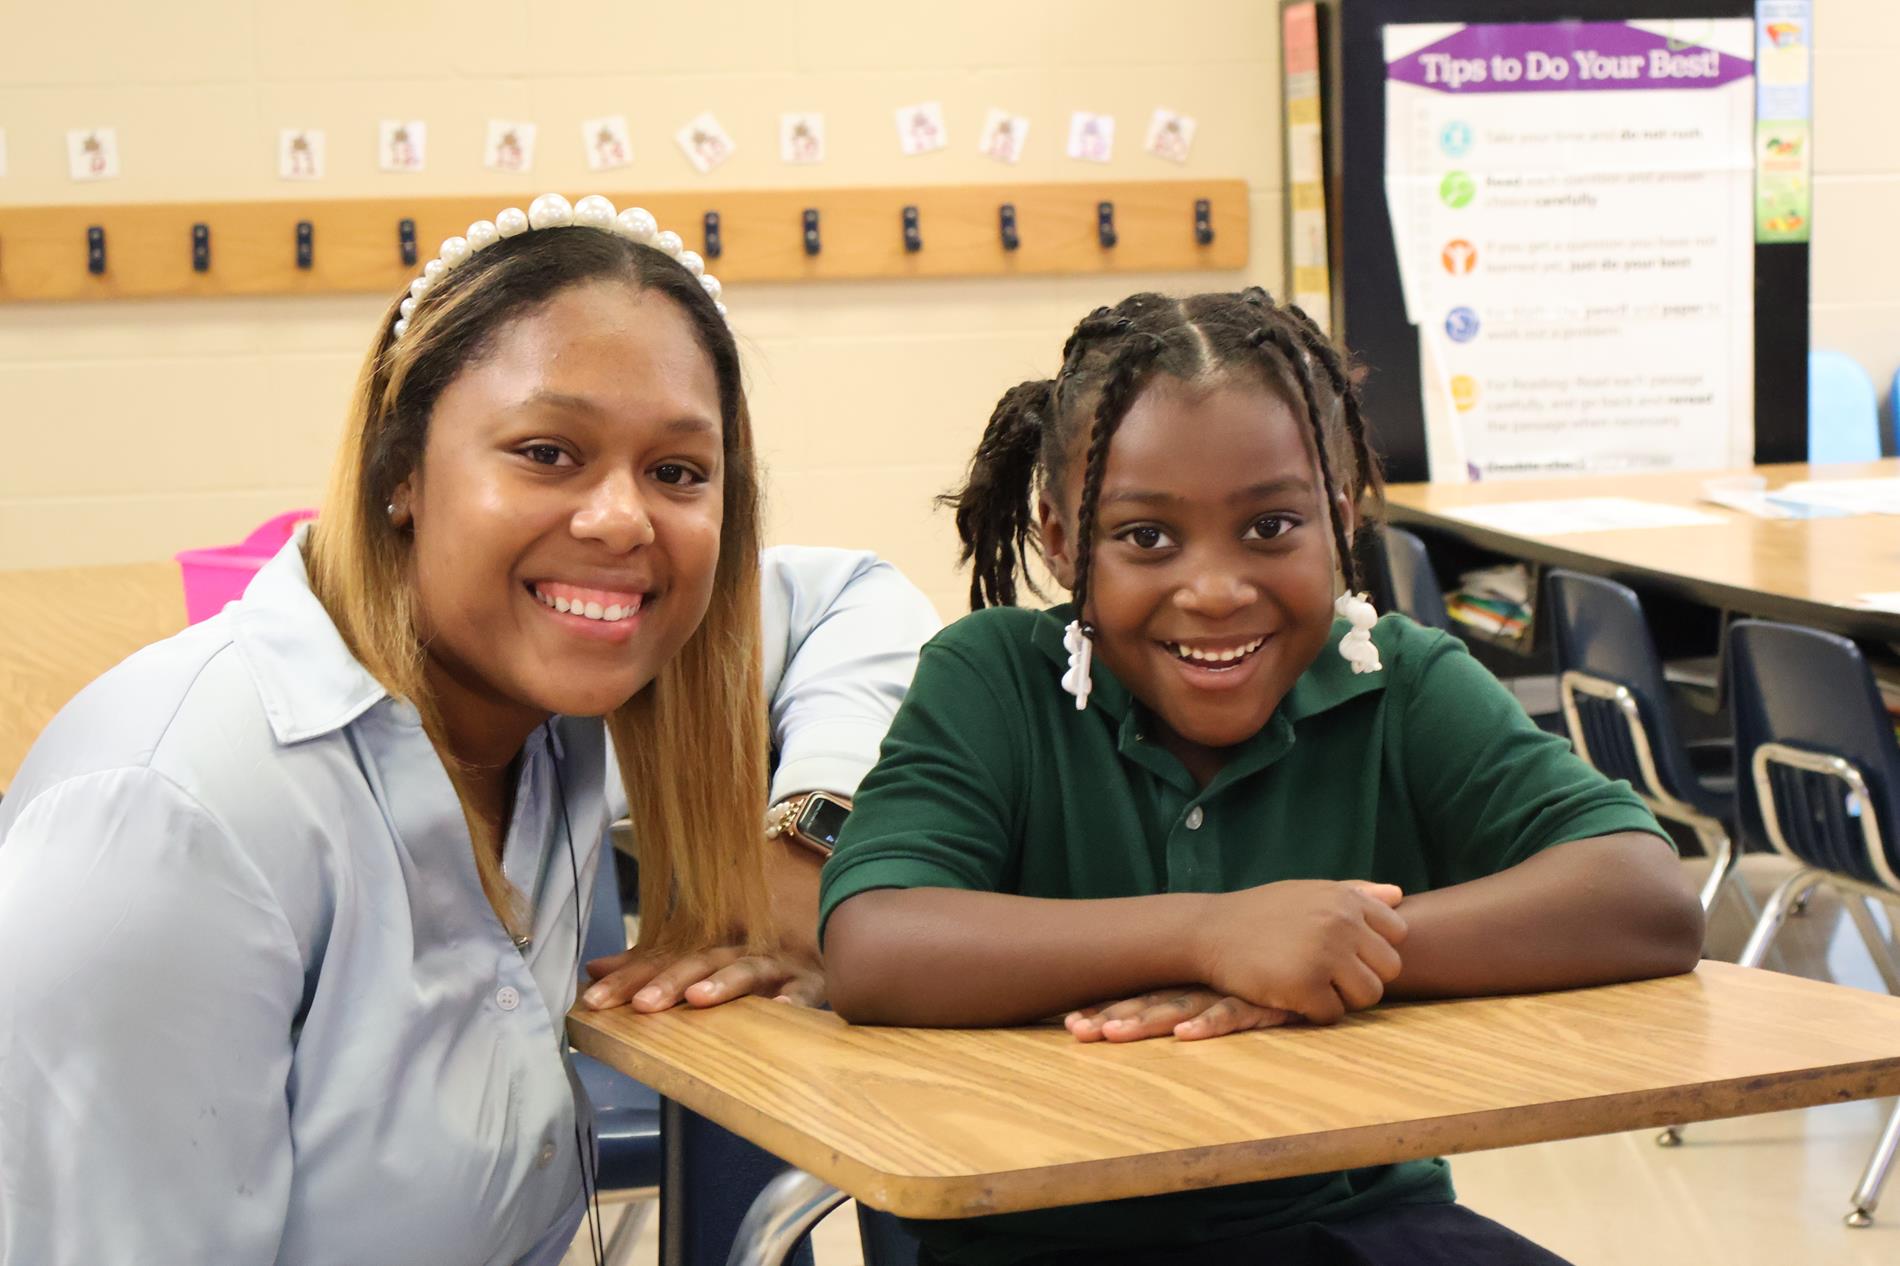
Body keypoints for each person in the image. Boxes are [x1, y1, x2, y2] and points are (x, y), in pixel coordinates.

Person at [0, 194, 936, 1266]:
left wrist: (801, 844)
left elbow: (854, 600)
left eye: (678, 471)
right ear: (400, 473)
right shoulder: (175, 822)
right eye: (547, 451)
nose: (622, 518)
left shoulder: (540, 702)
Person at [818, 288, 1704, 1266]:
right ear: (1060, 539)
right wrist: (1215, 935)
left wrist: (1336, 954)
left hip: (1352, 1225)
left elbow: (1642, 893)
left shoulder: (1397, 680)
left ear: (1341, 514)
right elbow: (876, 938)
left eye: (1271, 527)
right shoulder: (992, 678)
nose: (1213, 589)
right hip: (1045, 1238)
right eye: (1145, 537)